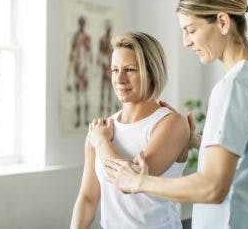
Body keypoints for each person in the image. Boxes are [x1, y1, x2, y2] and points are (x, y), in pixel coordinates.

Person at [103, 0, 248, 229]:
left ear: (222, 22)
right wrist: (200, 141)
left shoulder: (233, 87)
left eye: (191, 30)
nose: (186, 42)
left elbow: (212, 187)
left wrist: (138, 182)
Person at [70, 31, 190, 229]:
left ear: (151, 72)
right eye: (115, 70)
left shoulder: (171, 123)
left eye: (130, 70)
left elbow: (132, 179)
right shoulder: (103, 129)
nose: (120, 79)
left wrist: (101, 142)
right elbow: (88, 198)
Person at [66, 16, 92, 128]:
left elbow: (89, 53)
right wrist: (69, 71)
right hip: (77, 69)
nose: (82, 25)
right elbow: (71, 53)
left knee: (85, 95)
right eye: (80, 23)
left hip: (84, 69)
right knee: (77, 95)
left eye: (83, 23)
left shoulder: (87, 37)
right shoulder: (75, 37)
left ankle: (86, 119)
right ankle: (78, 119)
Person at [97, 19, 114, 116]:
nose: (109, 29)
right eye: (108, 28)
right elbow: (100, 53)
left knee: (110, 89)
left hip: (111, 66)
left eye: (110, 28)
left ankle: (108, 109)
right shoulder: (102, 39)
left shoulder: (112, 40)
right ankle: (102, 109)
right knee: (103, 87)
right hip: (104, 65)